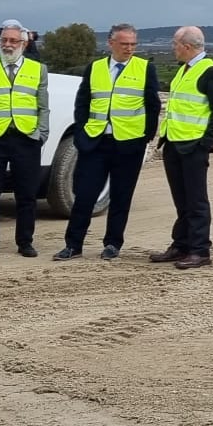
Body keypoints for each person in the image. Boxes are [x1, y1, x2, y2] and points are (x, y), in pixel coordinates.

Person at [55, 23, 160, 262]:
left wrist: (145, 136)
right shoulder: (95, 68)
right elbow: (82, 103)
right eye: (124, 44)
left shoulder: (145, 69)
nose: (129, 49)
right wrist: (82, 133)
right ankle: (73, 245)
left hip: (129, 143)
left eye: (133, 44)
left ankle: (112, 244)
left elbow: (152, 106)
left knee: (121, 196)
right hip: (96, 142)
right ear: (111, 43)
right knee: (84, 195)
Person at [0, 20, 49, 259]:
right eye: (4, 40)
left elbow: (43, 107)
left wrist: (40, 134)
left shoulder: (38, 69)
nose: (7, 44)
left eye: (13, 40)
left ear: (23, 44)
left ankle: (25, 241)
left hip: (26, 138)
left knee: (26, 194)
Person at [150, 26, 213, 269]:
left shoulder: (209, 71)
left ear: (187, 46)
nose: (172, 48)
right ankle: (181, 245)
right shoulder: (185, 69)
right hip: (174, 143)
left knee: (196, 201)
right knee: (181, 200)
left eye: (175, 44)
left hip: (193, 146)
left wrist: (205, 144)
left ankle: (200, 250)